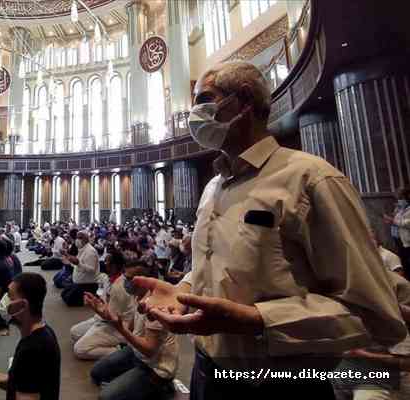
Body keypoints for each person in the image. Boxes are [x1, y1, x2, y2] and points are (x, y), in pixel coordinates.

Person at [135, 61, 406, 400]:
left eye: (205, 99)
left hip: (279, 384)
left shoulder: (311, 179)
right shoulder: (212, 189)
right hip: (206, 373)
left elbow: (374, 314)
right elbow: (223, 265)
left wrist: (256, 320)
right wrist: (184, 287)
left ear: (244, 102)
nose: (194, 114)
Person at [89, 259, 177, 400]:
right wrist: (106, 315)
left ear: (145, 281)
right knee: (97, 372)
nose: (126, 282)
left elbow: (149, 350)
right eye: (125, 277)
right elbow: (129, 327)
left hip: (154, 368)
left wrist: (120, 329)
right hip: (136, 353)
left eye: (130, 279)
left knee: (106, 397)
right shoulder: (137, 296)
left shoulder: (154, 306)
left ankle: (163, 387)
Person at [71, 251, 135, 360]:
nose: (104, 263)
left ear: (114, 266)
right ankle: (101, 339)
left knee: (79, 350)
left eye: (107, 262)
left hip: (118, 327)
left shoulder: (121, 287)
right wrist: (96, 301)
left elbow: (112, 318)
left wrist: (94, 306)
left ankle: (121, 350)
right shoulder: (108, 279)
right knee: (74, 332)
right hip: (102, 319)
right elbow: (105, 303)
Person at [61, 231, 100, 307]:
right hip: (78, 282)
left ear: (85, 239)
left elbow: (91, 269)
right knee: (64, 293)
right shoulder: (82, 249)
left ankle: (92, 297)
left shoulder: (90, 251)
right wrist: (67, 255)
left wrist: (78, 263)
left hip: (88, 284)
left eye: (79, 238)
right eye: (77, 238)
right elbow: (77, 264)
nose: (77, 240)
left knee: (69, 299)